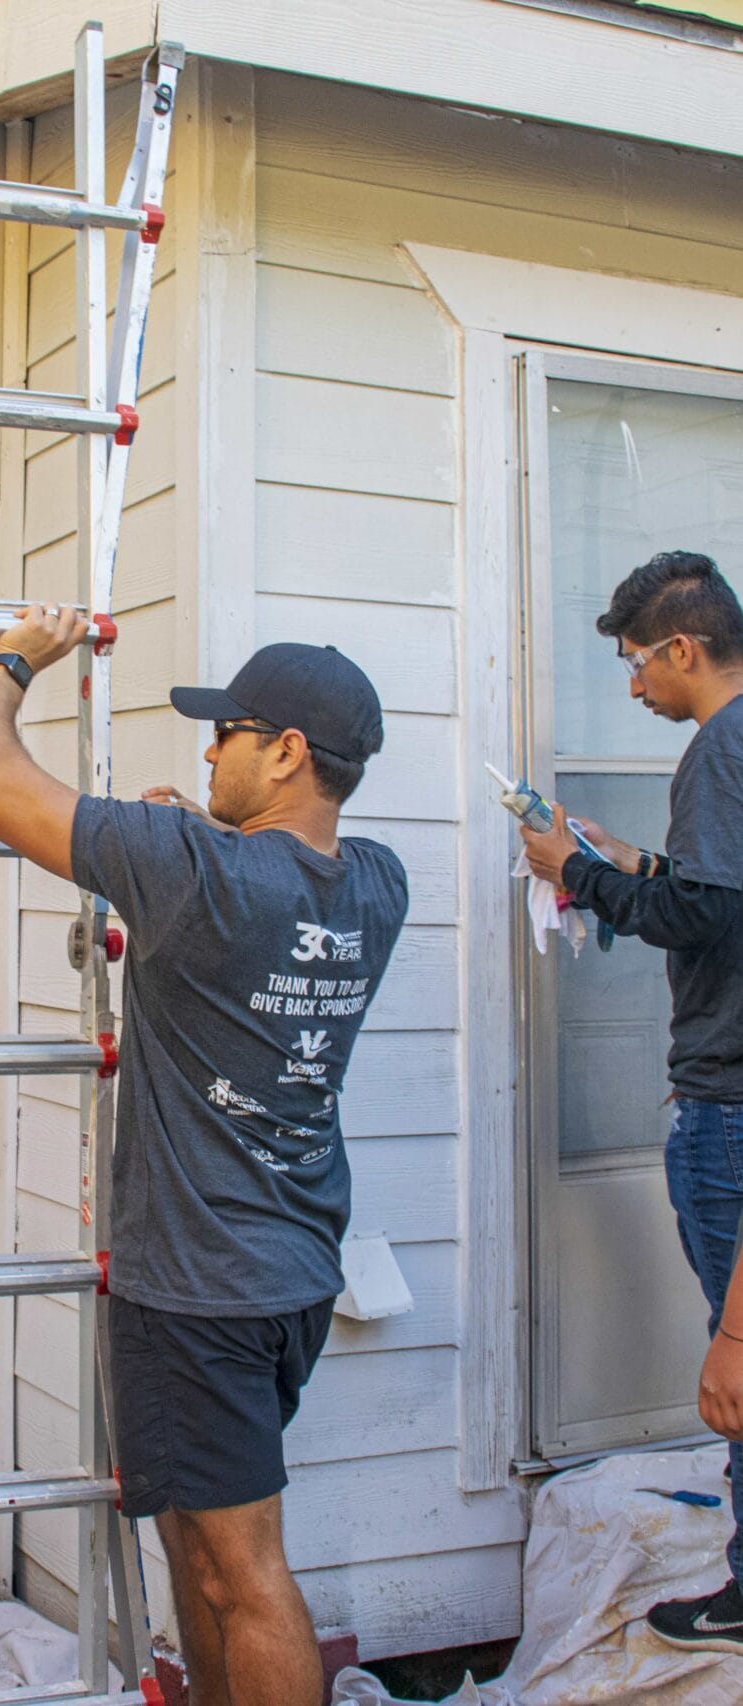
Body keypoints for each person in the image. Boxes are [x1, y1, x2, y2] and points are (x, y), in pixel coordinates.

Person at [0, 609, 409, 1706]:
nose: (208, 752)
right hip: (289, 1272)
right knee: (204, 1556)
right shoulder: (379, 885)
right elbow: (261, 887)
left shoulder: (194, 872)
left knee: (243, 1572)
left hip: (197, 1290)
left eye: (229, 732)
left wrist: (17, 658)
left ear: (288, 749)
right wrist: (176, 840)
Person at [517, 550, 743, 1653]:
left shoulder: (718, 746)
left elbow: (703, 913)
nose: (631, 684)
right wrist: (634, 859)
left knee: (740, 1356)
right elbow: (721, 893)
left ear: (683, 650)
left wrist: (575, 869)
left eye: (634, 660)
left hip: (730, 1103)